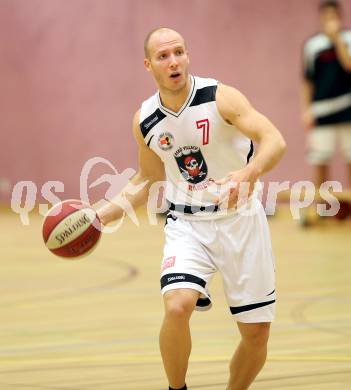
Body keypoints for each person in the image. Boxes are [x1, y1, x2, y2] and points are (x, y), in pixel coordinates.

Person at [97, 27, 286, 390]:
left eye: (179, 53)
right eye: (164, 56)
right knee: (177, 306)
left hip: (241, 223)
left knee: (256, 334)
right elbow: (147, 178)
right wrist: (100, 215)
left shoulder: (220, 98)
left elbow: (274, 140)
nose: (174, 62)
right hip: (186, 224)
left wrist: (249, 172)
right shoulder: (146, 120)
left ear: (188, 56)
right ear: (148, 65)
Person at [302, 0, 351, 189]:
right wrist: (305, 110)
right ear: (321, 19)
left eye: (334, 16)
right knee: (320, 159)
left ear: (340, 17)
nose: (331, 20)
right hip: (321, 111)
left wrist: (337, 39)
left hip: (348, 109)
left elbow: (348, 65)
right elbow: (307, 81)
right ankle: (323, 208)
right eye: (327, 17)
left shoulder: (348, 39)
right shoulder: (312, 45)